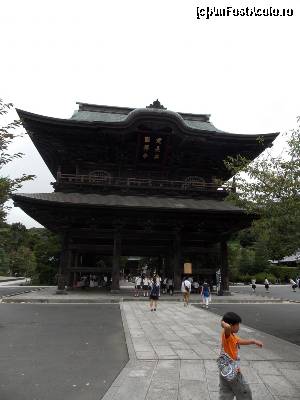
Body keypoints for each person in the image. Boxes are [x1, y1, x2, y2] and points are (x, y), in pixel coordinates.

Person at [219, 312, 263, 400]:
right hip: (232, 370)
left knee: (226, 391)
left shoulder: (232, 336)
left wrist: (253, 341)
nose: (239, 327)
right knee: (244, 391)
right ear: (231, 325)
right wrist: (222, 322)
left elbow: (240, 341)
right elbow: (227, 327)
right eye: (237, 325)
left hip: (224, 370)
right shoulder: (227, 335)